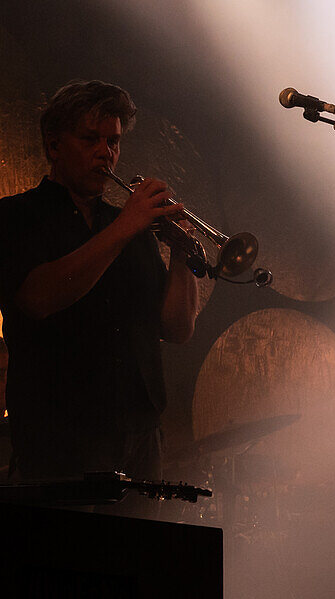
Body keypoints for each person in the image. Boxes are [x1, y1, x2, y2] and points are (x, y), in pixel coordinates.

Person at [0, 79, 199, 483]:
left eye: (113, 141)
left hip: (141, 431)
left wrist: (182, 255)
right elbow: (37, 299)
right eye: (91, 139)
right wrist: (125, 227)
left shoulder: (129, 226)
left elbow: (177, 330)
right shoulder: (16, 216)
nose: (105, 154)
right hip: (59, 436)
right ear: (54, 146)